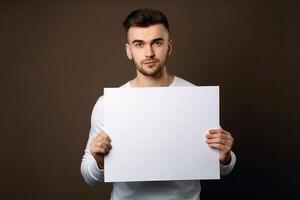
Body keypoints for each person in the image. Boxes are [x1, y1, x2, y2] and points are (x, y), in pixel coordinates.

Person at [81, 8, 236, 200]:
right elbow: (89, 176)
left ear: (169, 47)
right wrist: (98, 161)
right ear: (129, 51)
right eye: (139, 44)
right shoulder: (108, 104)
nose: (149, 52)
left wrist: (226, 157)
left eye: (157, 42)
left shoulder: (194, 98)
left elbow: (223, 166)